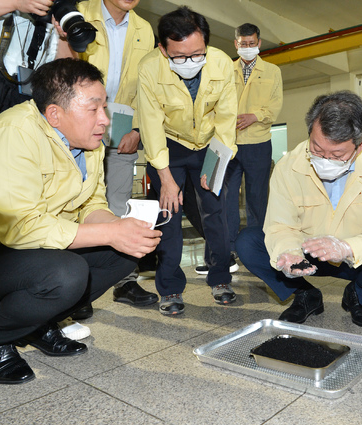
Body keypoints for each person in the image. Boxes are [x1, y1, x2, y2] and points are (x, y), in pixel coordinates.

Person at [0, 58, 161, 384]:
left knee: (127, 252)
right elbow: (21, 228)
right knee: (66, 273)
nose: (105, 120)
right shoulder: (14, 134)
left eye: (103, 107)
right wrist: (110, 232)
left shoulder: (88, 140)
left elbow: (92, 203)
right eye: (93, 109)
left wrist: (123, 230)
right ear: (54, 114)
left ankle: (36, 322)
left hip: (30, 252)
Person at [0, 3, 80, 360]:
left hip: (7, 141)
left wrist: (65, 30)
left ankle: (24, 317)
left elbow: (57, 74)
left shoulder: (40, 17)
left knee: (8, 229)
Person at [236, 91, 362, 328]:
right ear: (310, 132)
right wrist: (289, 253)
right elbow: (281, 224)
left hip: (356, 257)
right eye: (317, 150)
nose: (325, 161)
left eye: (337, 154)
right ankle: (305, 295)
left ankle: (358, 297)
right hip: (309, 253)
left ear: (360, 146)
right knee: (249, 242)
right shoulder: (289, 165)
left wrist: (347, 248)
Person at [137, 6, 238, 315]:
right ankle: (169, 288)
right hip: (170, 146)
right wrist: (165, 179)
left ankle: (220, 278)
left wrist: (215, 166)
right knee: (168, 215)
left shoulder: (221, 63)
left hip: (209, 144)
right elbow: (151, 126)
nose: (190, 63)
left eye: (198, 54)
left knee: (215, 213)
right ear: (162, 49)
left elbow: (226, 120)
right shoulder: (149, 69)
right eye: (179, 57)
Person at [71, 0, 158, 318]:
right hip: (80, 124)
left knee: (119, 207)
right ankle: (73, 287)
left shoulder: (144, 29)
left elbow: (148, 89)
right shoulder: (80, 12)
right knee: (75, 204)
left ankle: (125, 281)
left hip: (122, 127)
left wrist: (137, 128)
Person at [195, 23, 283, 276]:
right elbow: (212, 101)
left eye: (251, 43)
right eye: (243, 43)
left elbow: (276, 104)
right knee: (224, 200)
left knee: (257, 200)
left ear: (259, 42)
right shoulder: (224, 69)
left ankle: (256, 249)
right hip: (227, 144)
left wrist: (255, 116)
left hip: (258, 143)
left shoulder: (272, 71)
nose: (247, 47)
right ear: (236, 44)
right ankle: (226, 251)